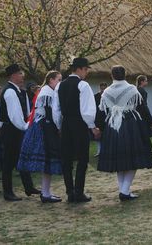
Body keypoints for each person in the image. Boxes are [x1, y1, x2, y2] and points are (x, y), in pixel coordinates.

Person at [97, 66, 152, 201]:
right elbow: (142, 108)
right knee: (132, 158)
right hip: (130, 125)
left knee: (119, 159)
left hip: (112, 126)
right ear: (125, 74)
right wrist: (151, 123)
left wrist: (99, 127)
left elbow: (101, 112)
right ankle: (124, 190)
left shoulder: (106, 92)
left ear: (111, 76)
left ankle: (124, 190)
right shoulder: (131, 89)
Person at [53, 58, 99, 203]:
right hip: (79, 124)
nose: (86, 72)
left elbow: (56, 110)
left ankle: (70, 192)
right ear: (79, 69)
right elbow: (87, 110)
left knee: (66, 159)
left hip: (66, 124)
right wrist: (92, 126)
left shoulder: (60, 86)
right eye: (85, 69)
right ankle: (78, 191)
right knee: (82, 158)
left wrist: (59, 126)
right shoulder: (83, 85)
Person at [17, 71, 63, 203]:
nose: (60, 82)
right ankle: (46, 193)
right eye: (58, 80)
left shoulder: (48, 91)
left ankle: (46, 192)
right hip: (44, 129)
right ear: (50, 80)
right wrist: (58, 127)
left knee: (47, 163)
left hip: (44, 127)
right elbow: (50, 113)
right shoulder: (47, 92)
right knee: (47, 161)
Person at [0, 64, 40, 201]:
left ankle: (29, 187)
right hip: (12, 130)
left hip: (18, 129)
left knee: (23, 158)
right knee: (9, 162)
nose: (22, 75)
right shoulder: (10, 91)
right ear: (13, 76)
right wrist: (25, 126)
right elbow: (14, 116)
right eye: (20, 73)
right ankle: (8, 192)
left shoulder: (18, 91)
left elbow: (25, 111)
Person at [136, 75, 152, 144]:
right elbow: (144, 106)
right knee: (144, 133)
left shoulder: (136, 90)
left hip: (136, 115)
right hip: (142, 115)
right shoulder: (142, 91)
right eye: (146, 81)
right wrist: (151, 121)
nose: (147, 82)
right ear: (142, 82)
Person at [94, 82, 108, 157]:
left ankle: (106, 150)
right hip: (98, 117)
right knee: (98, 135)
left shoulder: (108, 96)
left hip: (106, 117)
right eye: (102, 88)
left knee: (106, 135)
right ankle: (99, 151)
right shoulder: (96, 96)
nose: (103, 90)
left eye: (104, 88)